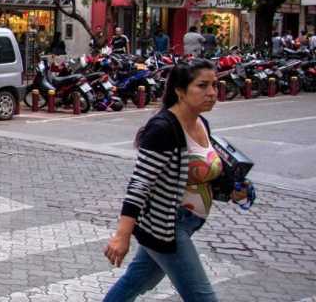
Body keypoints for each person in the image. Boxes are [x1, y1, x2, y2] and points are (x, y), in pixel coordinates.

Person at [103, 59, 252, 301]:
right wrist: (122, 235)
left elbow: (202, 173)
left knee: (134, 283)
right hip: (167, 226)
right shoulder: (163, 128)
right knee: (202, 297)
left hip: (186, 222)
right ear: (180, 91)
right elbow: (140, 184)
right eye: (202, 86)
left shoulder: (201, 123)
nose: (212, 93)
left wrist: (233, 190)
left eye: (215, 85)